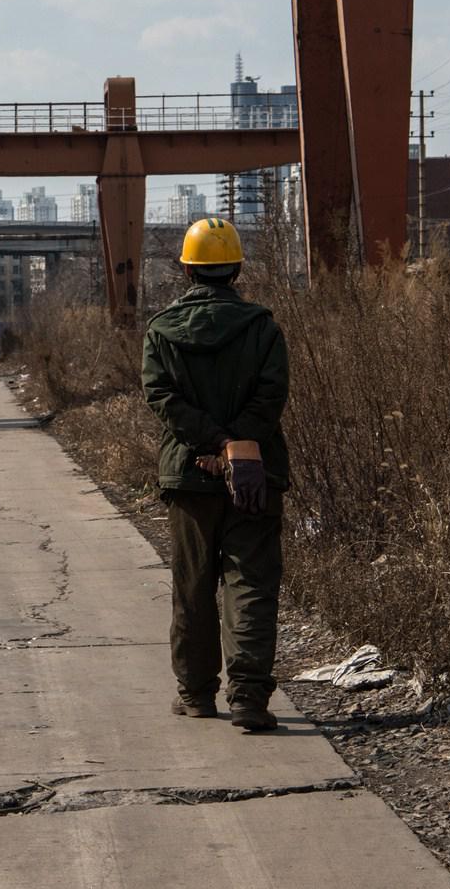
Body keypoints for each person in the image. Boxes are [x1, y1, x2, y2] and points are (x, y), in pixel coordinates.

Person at [141, 216, 290, 732]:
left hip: (188, 477)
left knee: (193, 585)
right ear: (237, 268)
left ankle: (196, 694)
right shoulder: (262, 327)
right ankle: (248, 699)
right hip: (255, 473)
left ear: (187, 269)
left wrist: (210, 445)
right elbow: (271, 399)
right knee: (249, 583)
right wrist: (236, 447)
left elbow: (161, 398)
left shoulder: (161, 330)